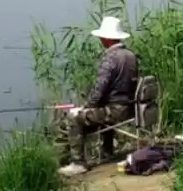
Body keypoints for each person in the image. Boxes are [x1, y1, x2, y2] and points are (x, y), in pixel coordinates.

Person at [57, 16, 139, 177]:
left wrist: (84, 108)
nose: (100, 40)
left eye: (102, 37)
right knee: (101, 109)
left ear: (107, 39)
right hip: (129, 109)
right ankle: (107, 151)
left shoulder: (110, 59)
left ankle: (78, 163)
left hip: (115, 112)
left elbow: (99, 90)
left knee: (74, 118)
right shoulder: (131, 55)